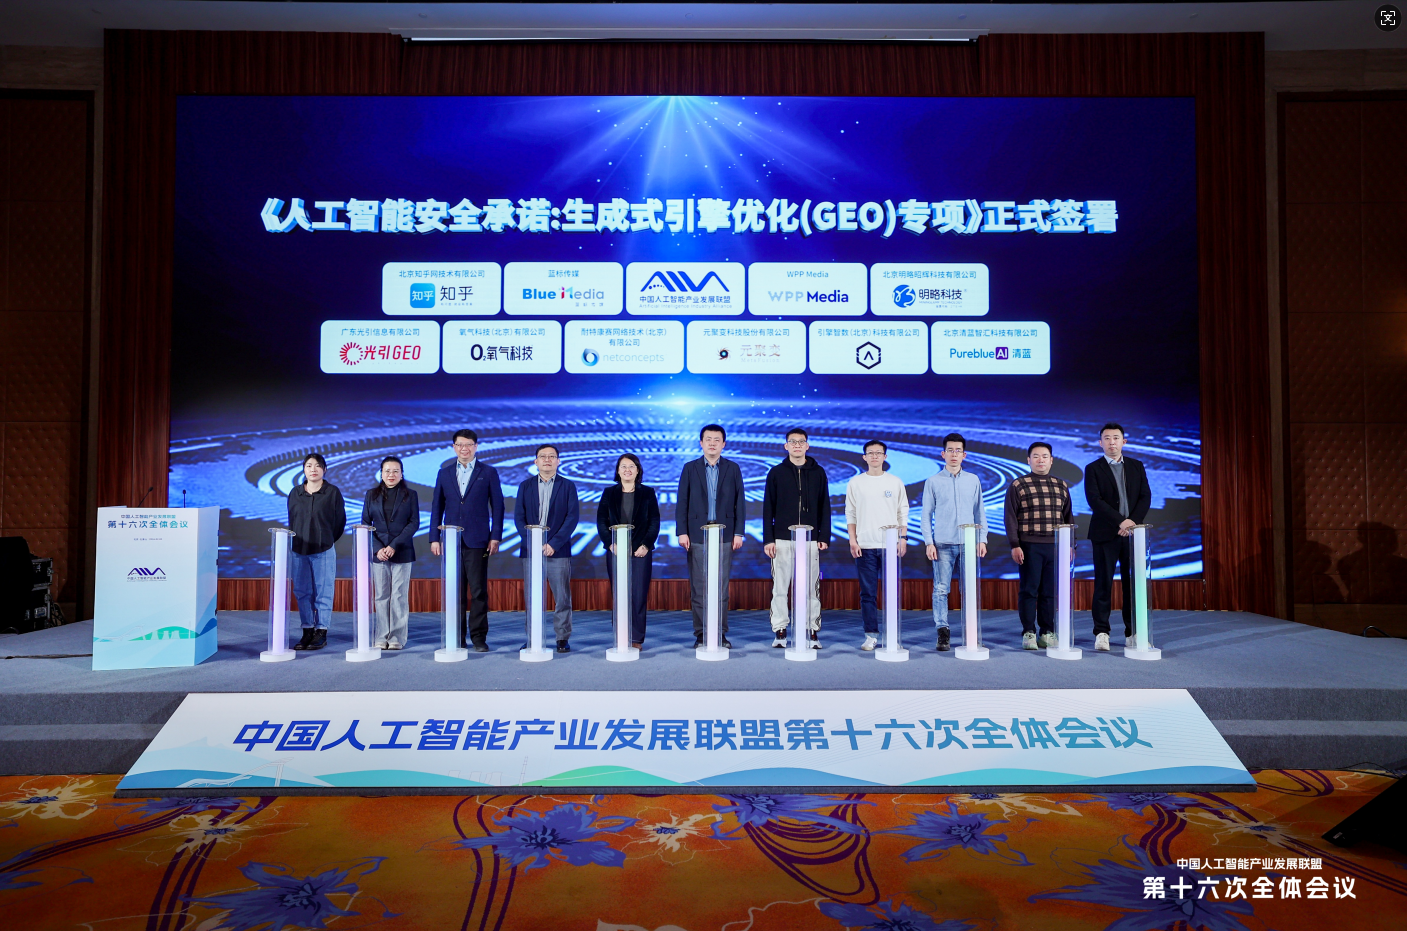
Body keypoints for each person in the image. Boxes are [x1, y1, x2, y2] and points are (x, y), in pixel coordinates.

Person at [429, 429, 504, 652]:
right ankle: (457, 637)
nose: (464, 448)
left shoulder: (488, 472)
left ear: (476, 446)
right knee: (455, 591)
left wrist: (495, 536)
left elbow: (498, 507)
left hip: (478, 540)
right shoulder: (444, 473)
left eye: (469, 444)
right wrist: (434, 538)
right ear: (454, 447)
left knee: (478, 591)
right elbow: (437, 507)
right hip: (451, 540)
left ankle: (479, 638)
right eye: (460, 445)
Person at [676, 423, 746, 648]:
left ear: (723, 444)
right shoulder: (690, 468)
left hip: (724, 535)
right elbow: (682, 502)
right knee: (699, 588)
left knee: (721, 588)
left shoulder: (733, 468)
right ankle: (701, 633)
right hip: (697, 535)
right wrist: (682, 531)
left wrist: (738, 532)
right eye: (708, 439)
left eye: (717, 440)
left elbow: (740, 502)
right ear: (701, 443)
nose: (712, 443)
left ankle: (720, 633)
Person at [1084, 422, 1152, 652]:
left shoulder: (1136, 466)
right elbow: (1095, 500)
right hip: (1105, 534)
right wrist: (1119, 521)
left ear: (1124, 441)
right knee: (1103, 584)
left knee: (1132, 585)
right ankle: (1101, 632)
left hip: (1133, 535)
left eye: (1115, 438)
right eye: (1107, 438)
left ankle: (1133, 632)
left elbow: (1145, 497)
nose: (1111, 442)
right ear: (1100, 442)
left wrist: (1131, 522)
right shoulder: (1093, 468)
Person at [761, 428, 831, 648]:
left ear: (807, 445)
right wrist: (769, 539)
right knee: (780, 587)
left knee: (811, 588)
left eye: (801, 442)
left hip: (810, 540)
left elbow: (825, 506)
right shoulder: (776, 473)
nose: (797, 445)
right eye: (793, 442)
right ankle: (780, 630)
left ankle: (812, 630)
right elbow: (768, 508)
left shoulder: (818, 472)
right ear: (786, 446)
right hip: (782, 539)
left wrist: (823, 535)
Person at [920, 433, 986, 652]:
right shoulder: (933, 481)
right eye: (950, 450)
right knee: (941, 589)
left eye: (958, 450)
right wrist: (928, 542)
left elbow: (979, 512)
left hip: (969, 542)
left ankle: (971, 632)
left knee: (969, 589)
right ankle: (943, 632)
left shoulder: (973, 480)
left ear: (964, 455)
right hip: (942, 543)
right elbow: (926, 515)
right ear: (943, 454)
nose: (954, 454)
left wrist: (982, 539)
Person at [1004, 441, 1073, 650]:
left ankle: (1047, 632)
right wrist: (1015, 544)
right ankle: (1029, 632)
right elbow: (1010, 517)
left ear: (1051, 460)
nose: (1040, 460)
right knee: (1029, 591)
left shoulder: (1061, 485)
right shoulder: (1018, 485)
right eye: (1036, 456)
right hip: (1029, 546)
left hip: (1055, 547)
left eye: (1044, 456)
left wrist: (1071, 544)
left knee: (1049, 593)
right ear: (1028, 460)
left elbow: (1068, 517)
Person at [514, 444, 580, 653]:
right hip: (531, 550)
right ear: (536, 461)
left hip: (558, 550)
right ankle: (532, 637)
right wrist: (533, 542)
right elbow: (519, 518)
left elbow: (572, 518)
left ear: (558, 461)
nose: (547, 460)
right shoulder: (525, 486)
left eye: (552, 456)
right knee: (532, 597)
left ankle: (562, 637)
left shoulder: (568, 486)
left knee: (562, 597)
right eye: (543, 456)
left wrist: (554, 544)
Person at [845, 440, 909, 651]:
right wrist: (853, 540)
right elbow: (851, 513)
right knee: (868, 594)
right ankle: (871, 635)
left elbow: (902, 512)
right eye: (870, 453)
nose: (874, 456)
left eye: (878, 453)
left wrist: (903, 538)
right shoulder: (855, 482)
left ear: (885, 457)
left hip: (890, 545)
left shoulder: (895, 482)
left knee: (892, 592)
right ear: (864, 457)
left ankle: (892, 636)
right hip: (865, 545)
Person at [596, 453, 660, 649]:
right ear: (618, 470)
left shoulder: (647, 493)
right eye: (623, 466)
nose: (627, 470)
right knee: (619, 594)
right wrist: (610, 544)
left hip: (640, 552)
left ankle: (636, 638)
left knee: (638, 595)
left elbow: (654, 522)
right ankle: (621, 635)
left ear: (638, 470)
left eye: (631, 466)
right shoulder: (609, 493)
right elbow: (601, 521)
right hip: (616, 551)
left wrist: (646, 545)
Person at [286, 453, 346, 651]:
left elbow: (339, 522)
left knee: (323, 591)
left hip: (324, 549)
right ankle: (307, 630)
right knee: (302, 592)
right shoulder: (295, 493)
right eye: (309, 465)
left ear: (324, 469)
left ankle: (321, 631)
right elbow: (292, 520)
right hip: (299, 550)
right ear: (304, 469)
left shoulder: (332, 492)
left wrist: (326, 539)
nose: (313, 469)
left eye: (318, 466)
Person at [361, 456, 419, 650]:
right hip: (379, 554)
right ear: (381, 473)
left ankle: (397, 637)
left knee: (399, 596)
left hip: (402, 550)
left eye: (395, 471)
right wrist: (378, 548)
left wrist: (394, 545)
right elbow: (365, 523)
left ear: (401, 474)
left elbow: (414, 523)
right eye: (387, 471)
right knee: (381, 596)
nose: (391, 474)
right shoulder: (371, 495)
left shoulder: (411, 495)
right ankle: (381, 636)